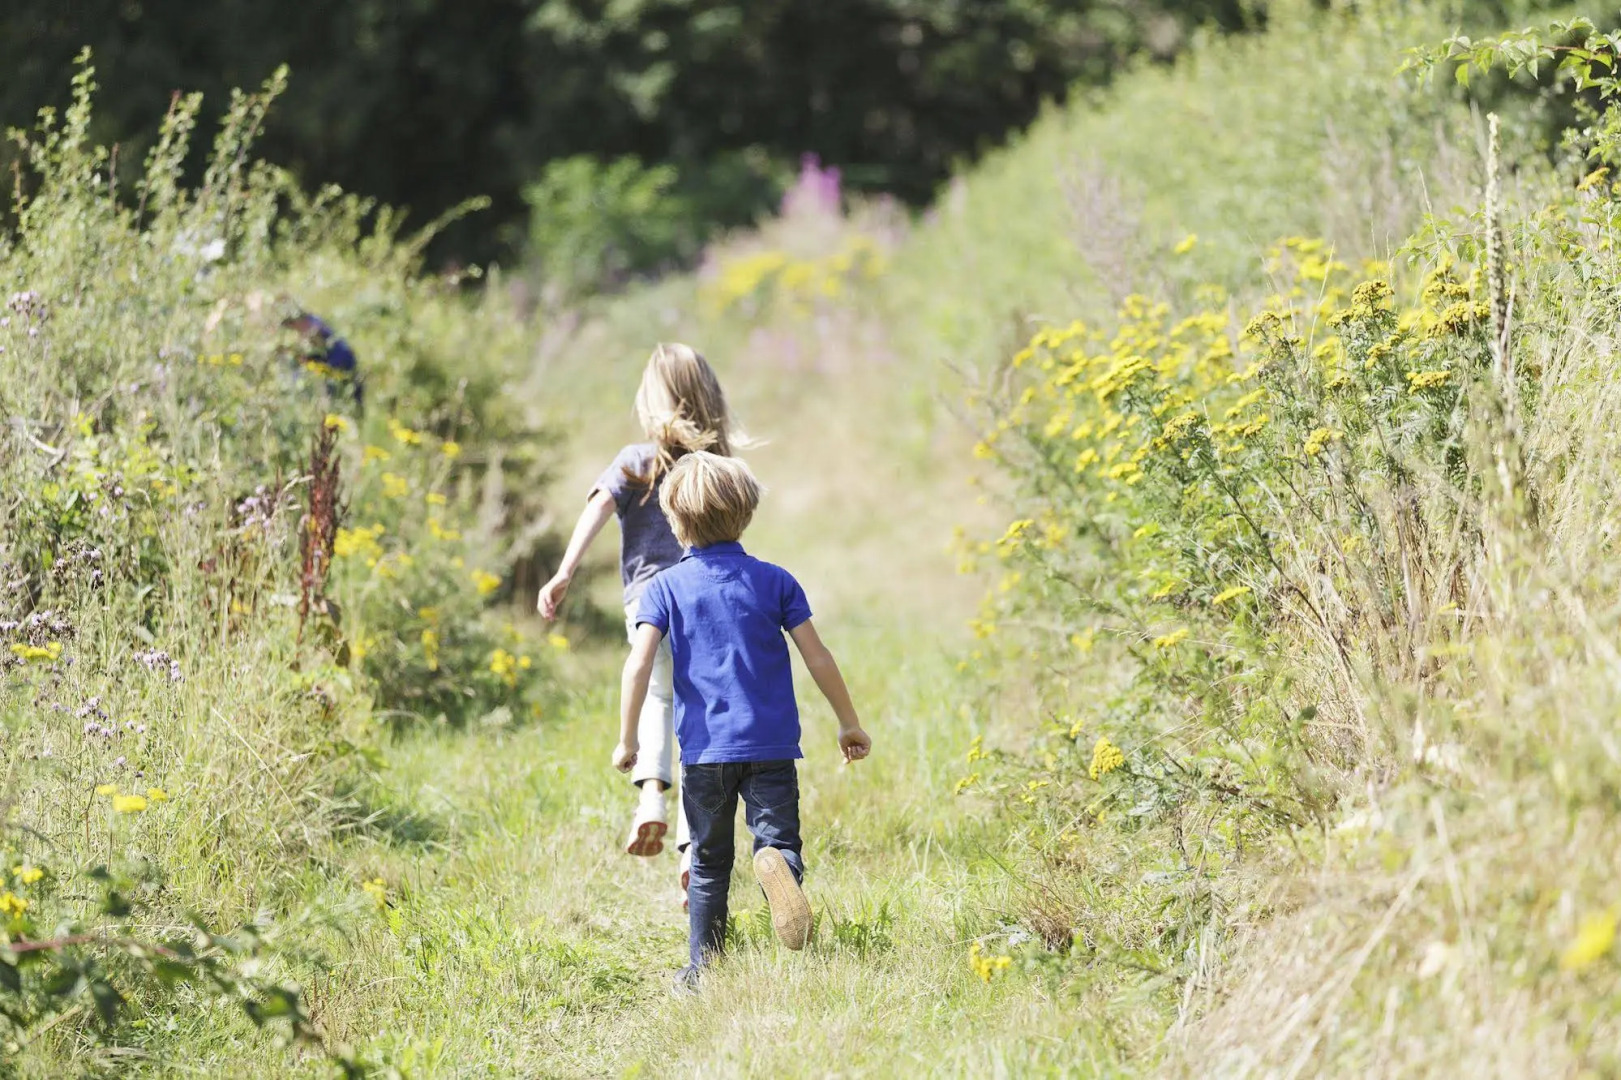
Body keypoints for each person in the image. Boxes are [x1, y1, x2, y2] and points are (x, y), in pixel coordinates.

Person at [615, 451, 871, 987]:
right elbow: (817, 655)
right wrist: (848, 721)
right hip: (772, 745)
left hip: (705, 752)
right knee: (779, 839)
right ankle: (778, 865)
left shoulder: (663, 588)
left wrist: (628, 740)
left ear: (675, 521)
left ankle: (703, 970)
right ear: (746, 513)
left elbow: (638, 664)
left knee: (708, 862)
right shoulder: (776, 581)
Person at [537, 343, 739, 880]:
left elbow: (597, 509)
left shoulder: (635, 462)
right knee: (699, 709)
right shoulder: (716, 467)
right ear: (708, 397)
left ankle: (651, 799)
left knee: (657, 695)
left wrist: (564, 571)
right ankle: (694, 844)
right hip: (706, 600)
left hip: (649, 601)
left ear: (652, 401)